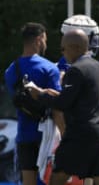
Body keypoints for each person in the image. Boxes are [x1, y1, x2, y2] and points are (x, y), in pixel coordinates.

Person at [28, 29, 99, 185]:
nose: (63, 53)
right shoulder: (98, 66)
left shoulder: (76, 69)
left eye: (63, 48)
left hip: (80, 134)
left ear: (74, 47)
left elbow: (63, 104)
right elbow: (81, 99)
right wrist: (55, 94)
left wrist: (40, 94)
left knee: (57, 177)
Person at [4, 23, 62, 185]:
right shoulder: (49, 68)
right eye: (45, 39)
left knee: (28, 181)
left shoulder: (10, 71)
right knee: (51, 180)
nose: (46, 44)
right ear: (38, 40)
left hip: (24, 135)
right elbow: (58, 104)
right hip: (49, 136)